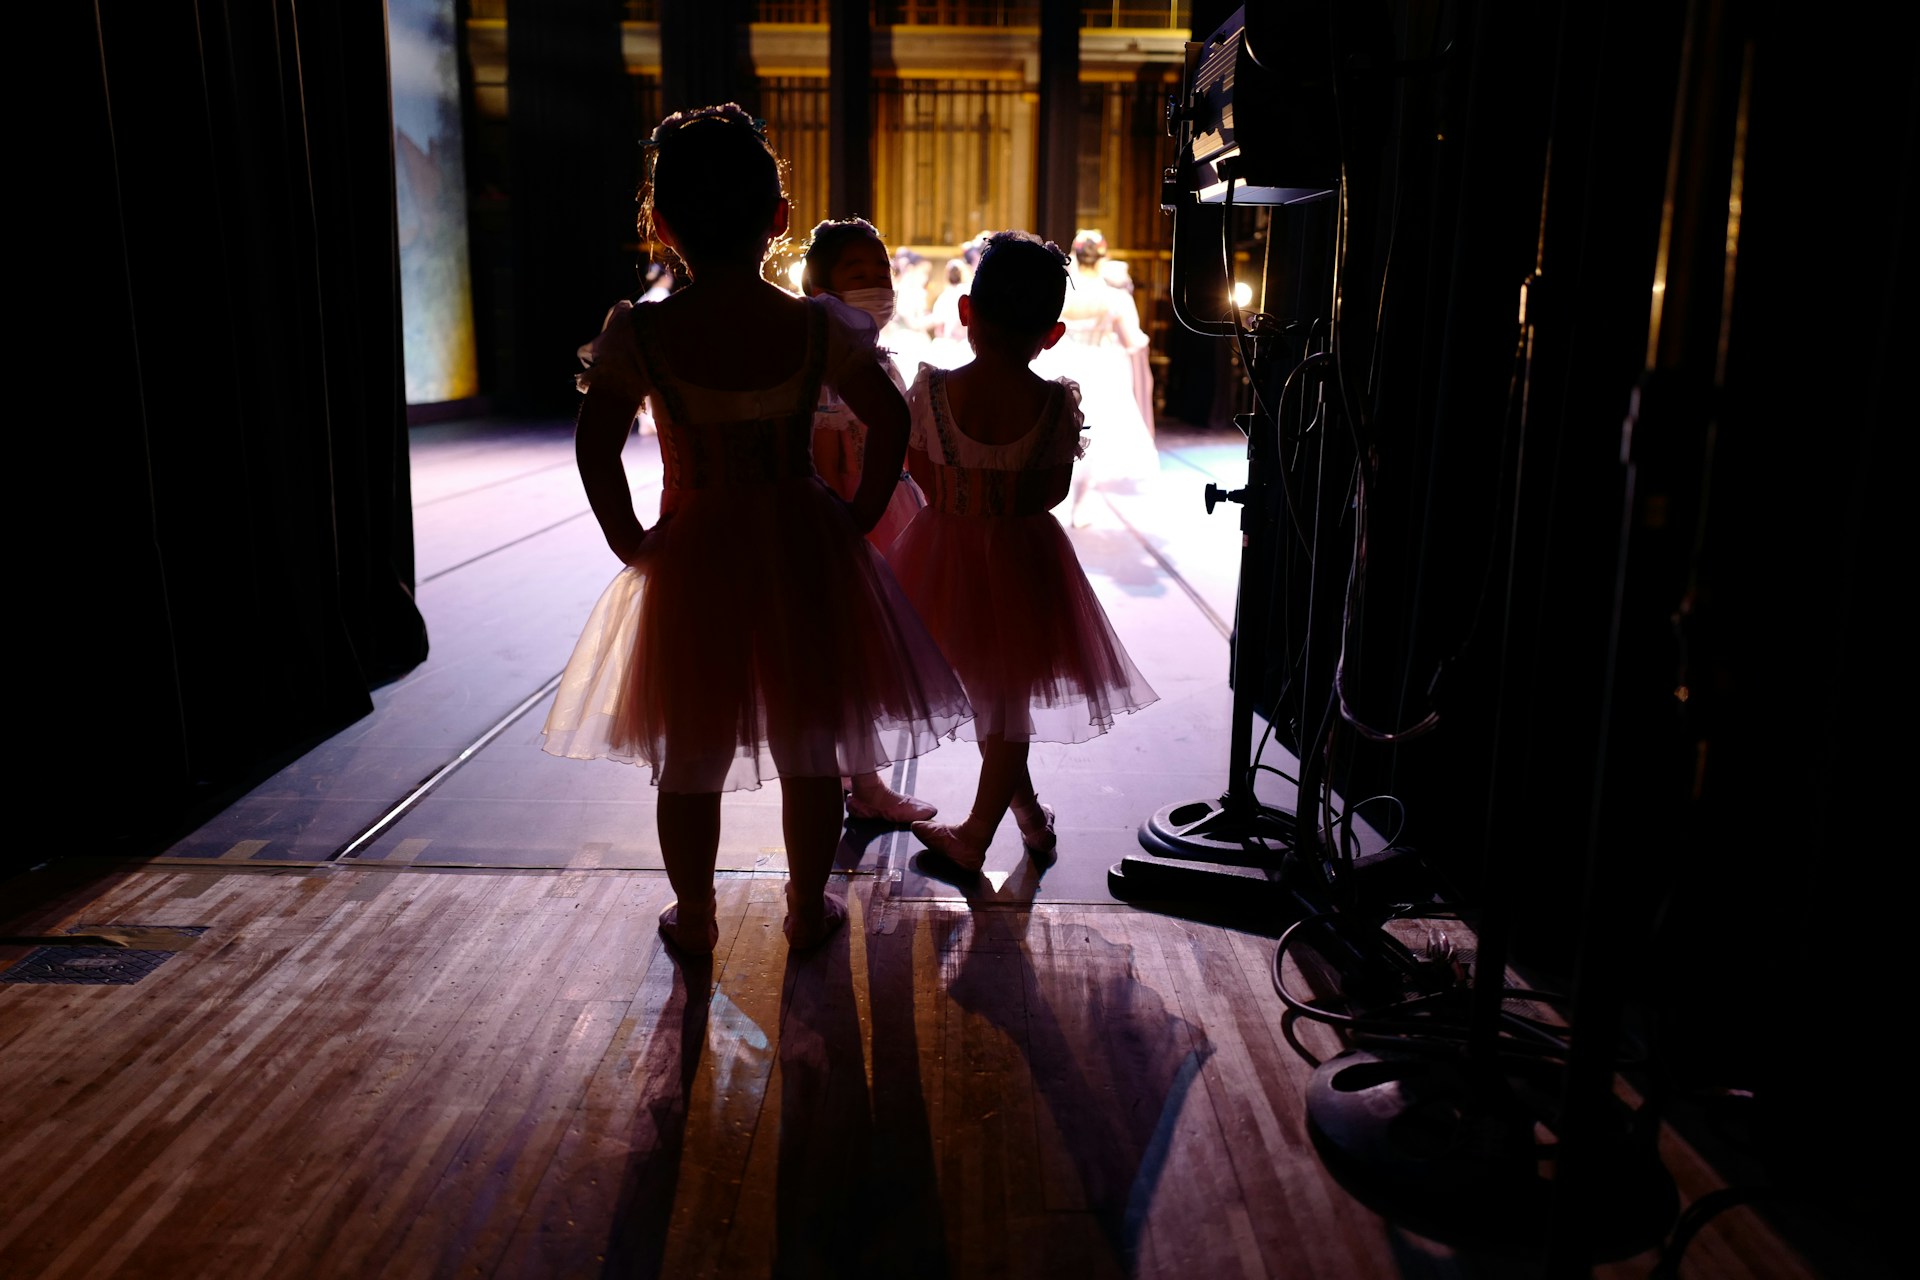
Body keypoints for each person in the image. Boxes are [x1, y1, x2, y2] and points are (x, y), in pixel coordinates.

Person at [543, 105, 971, 952]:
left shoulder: (648, 333)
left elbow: (595, 443)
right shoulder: (813, 326)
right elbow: (888, 421)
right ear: (779, 216)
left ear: (662, 226)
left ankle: (697, 916)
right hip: (806, 539)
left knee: (692, 750)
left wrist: (629, 539)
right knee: (812, 742)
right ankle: (807, 906)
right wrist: (856, 513)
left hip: (696, 548)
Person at [890, 231, 1160, 871]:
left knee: (999, 705)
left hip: (943, 552)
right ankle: (1031, 819)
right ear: (1052, 334)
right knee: (1001, 699)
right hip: (1024, 559)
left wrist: (962, 498)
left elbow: (920, 476)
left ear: (965, 314)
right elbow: (1054, 489)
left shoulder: (930, 392)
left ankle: (976, 836)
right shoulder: (1054, 401)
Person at [798, 216, 938, 826]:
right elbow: (826, 456)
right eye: (859, 274)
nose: (878, 284)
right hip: (850, 518)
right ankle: (844, 784)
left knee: (863, 658)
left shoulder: (881, 358)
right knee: (840, 657)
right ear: (819, 288)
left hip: (887, 509)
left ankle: (861, 781)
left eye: (882, 273)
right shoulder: (828, 367)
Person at [1037, 229, 1158, 526]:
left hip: (1060, 362)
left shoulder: (1062, 293)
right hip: (1100, 367)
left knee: (1055, 431)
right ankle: (1081, 504)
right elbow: (1133, 341)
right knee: (1092, 436)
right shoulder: (1114, 298)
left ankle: (1053, 501)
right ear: (1102, 256)